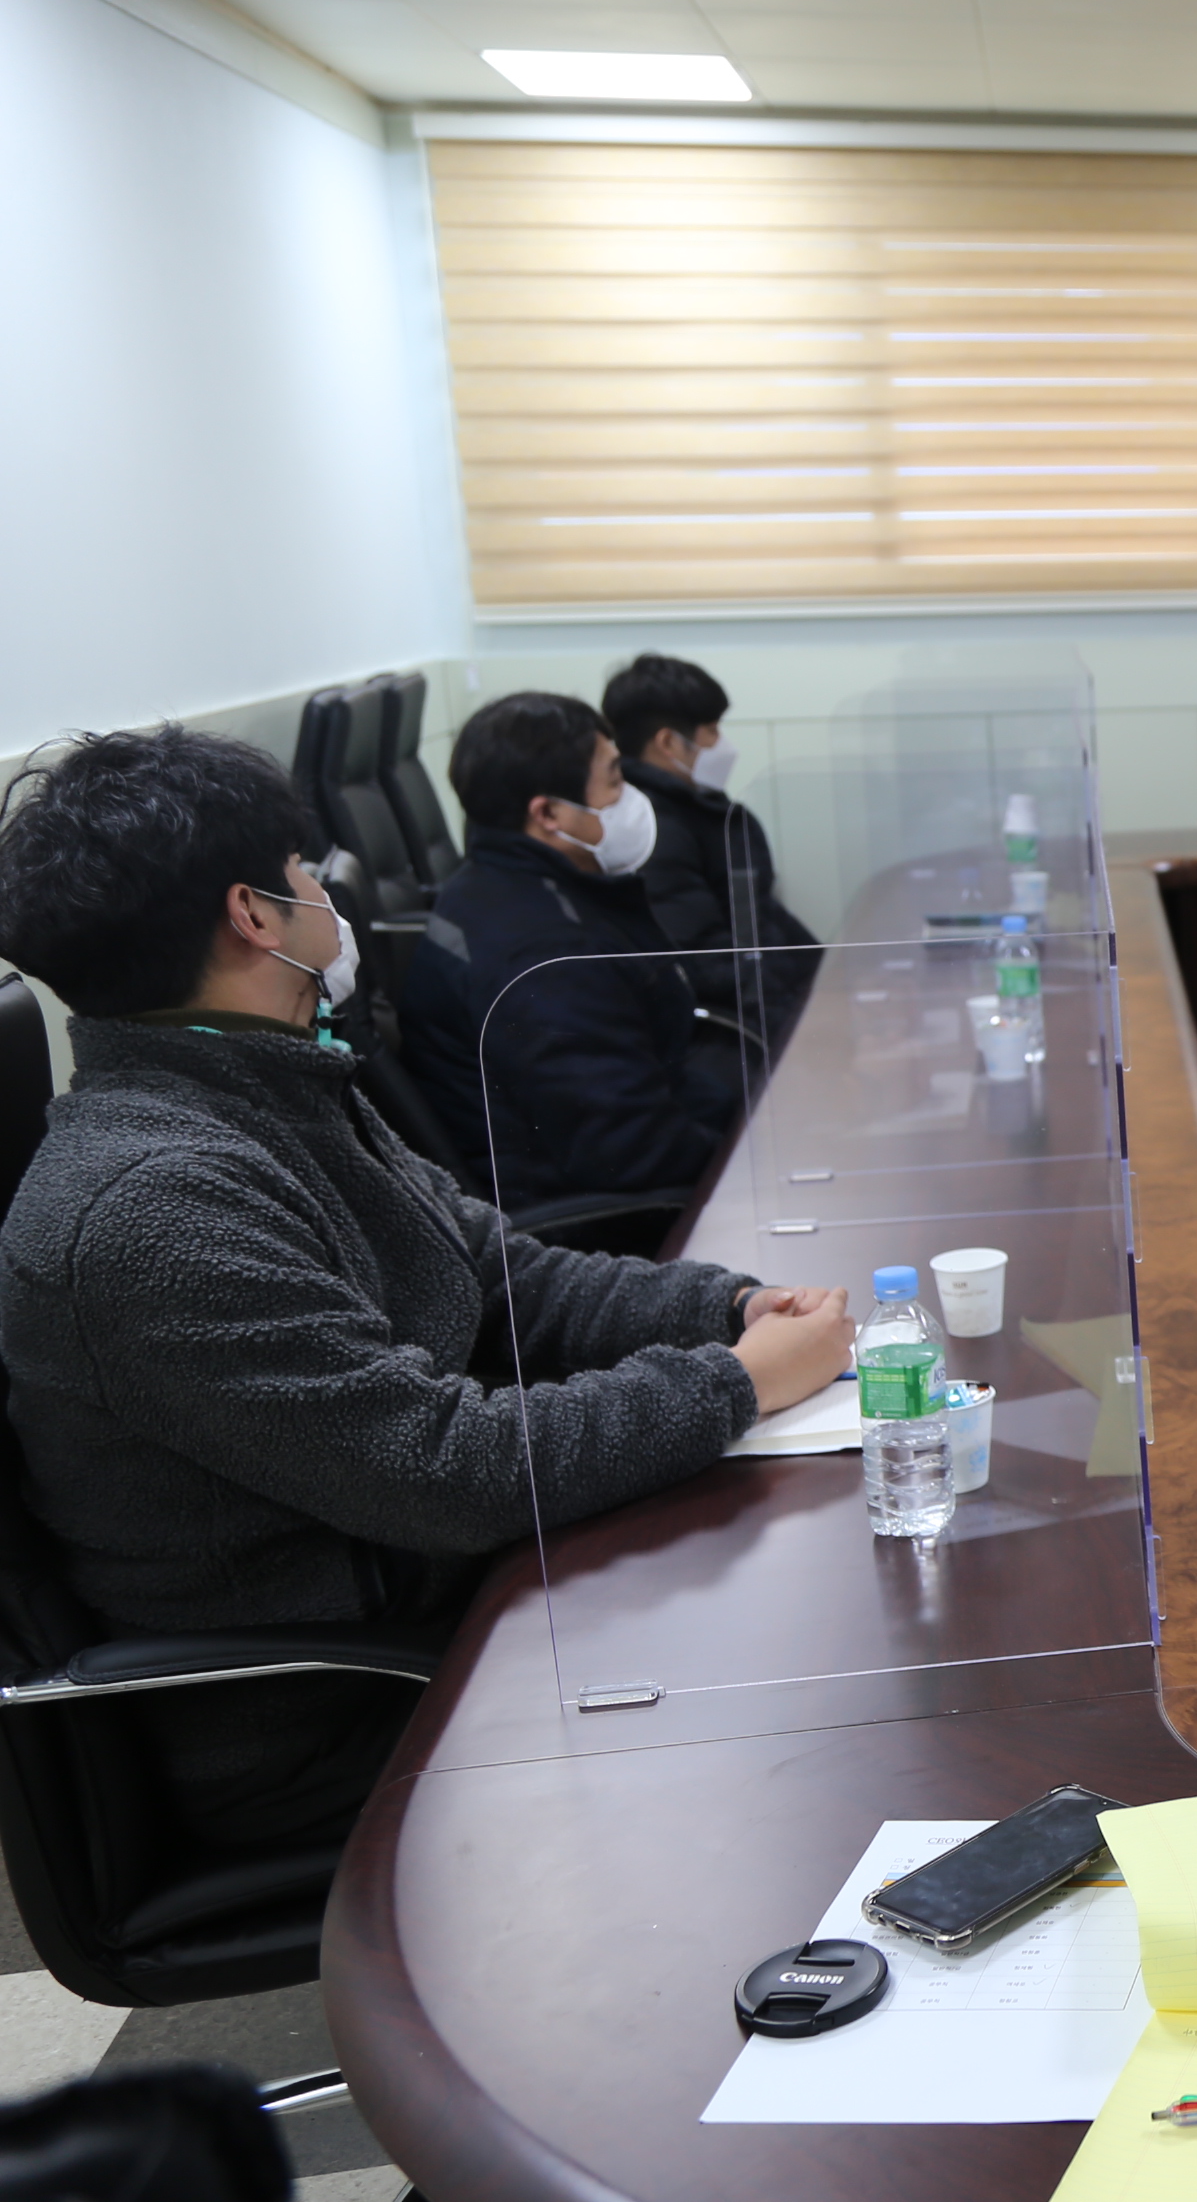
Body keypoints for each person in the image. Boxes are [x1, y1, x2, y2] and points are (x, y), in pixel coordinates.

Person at [0, 726, 851, 1850]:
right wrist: (735, 1384)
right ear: (254, 914)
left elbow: (504, 1275)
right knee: (809, 1712)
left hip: (445, 1601)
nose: (323, 890)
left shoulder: (266, 1084)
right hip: (338, 1716)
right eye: (301, 870)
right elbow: (448, 1470)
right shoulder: (153, 1211)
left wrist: (729, 1310)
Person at [400, 692, 742, 1210]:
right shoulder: (550, 955)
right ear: (549, 813)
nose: (630, 798)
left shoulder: (502, 884)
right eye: (614, 782)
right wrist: (749, 1160)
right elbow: (631, 1150)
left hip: (622, 1161)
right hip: (601, 1221)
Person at [600, 651, 817, 1041]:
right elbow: (710, 959)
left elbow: (761, 918)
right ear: (668, 742)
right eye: (712, 731)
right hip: (743, 1030)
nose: (723, 745)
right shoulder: (652, 830)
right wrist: (804, 1030)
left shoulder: (701, 809)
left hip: (771, 1004)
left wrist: (832, 982)